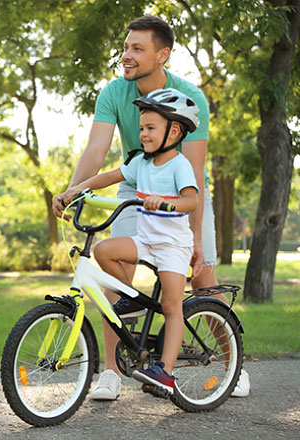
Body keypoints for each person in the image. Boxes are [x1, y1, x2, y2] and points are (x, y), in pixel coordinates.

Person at [52, 15, 250, 399]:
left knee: (202, 274)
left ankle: (233, 364)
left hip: (182, 190)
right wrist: (73, 190)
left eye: (137, 49)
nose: (127, 55)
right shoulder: (113, 92)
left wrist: (193, 239)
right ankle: (110, 371)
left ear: (163, 55)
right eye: (126, 47)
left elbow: (192, 171)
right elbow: (96, 151)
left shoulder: (189, 97)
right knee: (113, 271)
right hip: (136, 187)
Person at [64, 88, 199, 395]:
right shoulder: (141, 162)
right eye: (141, 129)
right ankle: (132, 302)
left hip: (173, 246)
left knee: (171, 305)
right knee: (103, 250)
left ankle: (164, 371)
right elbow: (108, 177)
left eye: (150, 129)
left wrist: (167, 204)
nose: (143, 135)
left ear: (174, 131)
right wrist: (76, 190)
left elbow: (191, 201)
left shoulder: (178, 165)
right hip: (147, 240)